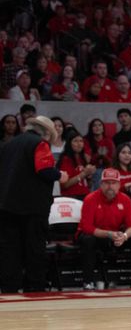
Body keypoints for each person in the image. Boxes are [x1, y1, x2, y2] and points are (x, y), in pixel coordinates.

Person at [0, 116, 67, 292]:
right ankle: (35, 289)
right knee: (34, 250)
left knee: (9, 250)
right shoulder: (39, 144)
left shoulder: (8, 145)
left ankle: (9, 290)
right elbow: (43, 169)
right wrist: (60, 175)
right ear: (46, 132)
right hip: (33, 208)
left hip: (6, 206)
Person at [77, 168, 131, 290]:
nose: (110, 186)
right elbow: (86, 227)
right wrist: (109, 234)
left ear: (119, 185)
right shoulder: (90, 199)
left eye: (114, 183)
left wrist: (124, 236)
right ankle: (88, 282)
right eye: (107, 183)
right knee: (88, 240)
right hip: (96, 235)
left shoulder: (125, 199)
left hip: (116, 236)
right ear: (101, 184)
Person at [58, 127, 94, 199]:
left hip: (85, 195)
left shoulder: (83, 159)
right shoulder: (66, 159)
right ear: (69, 143)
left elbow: (89, 185)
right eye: (75, 141)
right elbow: (64, 185)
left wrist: (89, 176)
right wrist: (84, 174)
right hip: (71, 197)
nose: (79, 144)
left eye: (81, 141)